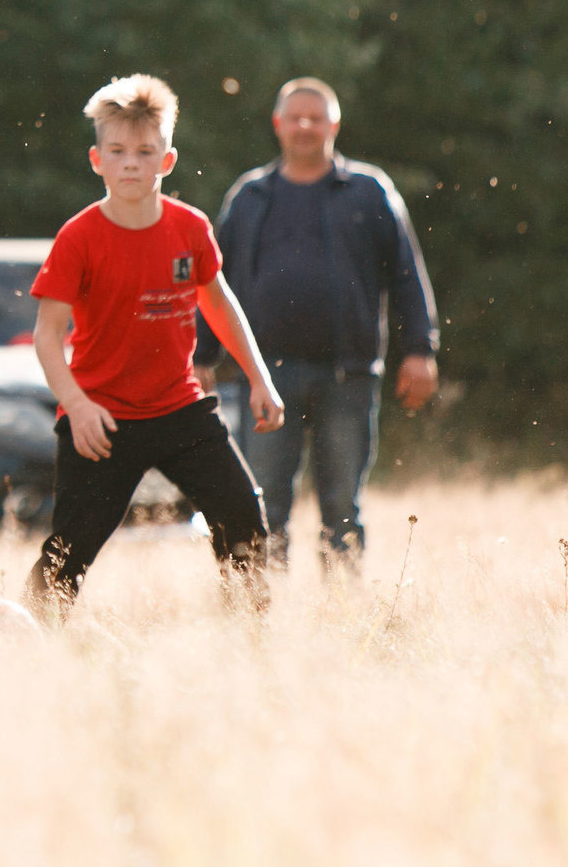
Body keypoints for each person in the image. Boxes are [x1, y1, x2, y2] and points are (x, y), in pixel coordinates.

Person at [26, 75, 284, 620]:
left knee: (243, 516)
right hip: (102, 418)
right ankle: (27, 638)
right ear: (97, 160)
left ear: (166, 160)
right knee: (70, 549)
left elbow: (219, 303)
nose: (131, 164)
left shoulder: (190, 228)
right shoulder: (79, 237)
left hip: (179, 408)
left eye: (145, 152)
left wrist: (260, 379)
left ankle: (253, 640)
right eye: (117, 152)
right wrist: (77, 405)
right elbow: (47, 335)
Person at [202, 77, 438, 570]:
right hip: (266, 377)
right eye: (295, 117)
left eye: (316, 117)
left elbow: (406, 275)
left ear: (334, 124)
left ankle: (342, 617)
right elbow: (214, 286)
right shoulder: (249, 198)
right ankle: (258, 612)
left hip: (347, 374)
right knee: (262, 504)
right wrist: (203, 358)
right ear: (278, 125)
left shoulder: (369, 193)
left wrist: (420, 349)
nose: (305, 126)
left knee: (343, 509)